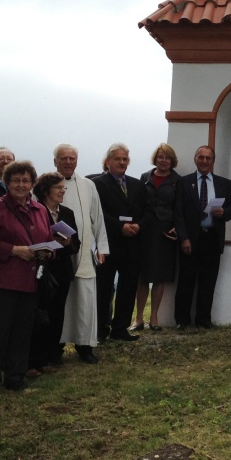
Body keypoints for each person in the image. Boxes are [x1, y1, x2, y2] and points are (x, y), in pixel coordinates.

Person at [0, 160, 54, 392]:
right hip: (2, 281)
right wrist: (13, 250)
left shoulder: (40, 210)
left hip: (30, 280)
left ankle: (15, 378)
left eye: (26, 180)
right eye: (16, 180)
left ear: (32, 183)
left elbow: (46, 237)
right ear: (7, 183)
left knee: (22, 331)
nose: (21, 184)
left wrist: (49, 251)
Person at [54, 143, 110, 364]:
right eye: (63, 158)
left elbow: (97, 217)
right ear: (55, 161)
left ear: (76, 161)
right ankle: (55, 345)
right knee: (61, 299)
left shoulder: (88, 185)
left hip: (84, 251)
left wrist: (102, 248)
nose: (68, 162)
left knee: (85, 298)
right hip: (58, 251)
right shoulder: (46, 184)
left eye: (72, 158)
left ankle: (84, 345)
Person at [173, 145, 231, 329]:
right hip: (190, 239)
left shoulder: (224, 183)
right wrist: (184, 238)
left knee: (208, 281)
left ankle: (203, 319)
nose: (204, 161)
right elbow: (178, 213)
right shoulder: (184, 182)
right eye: (200, 157)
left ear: (212, 161)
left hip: (212, 238)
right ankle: (182, 320)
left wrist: (224, 212)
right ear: (195, 159)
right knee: (186, 280)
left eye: (207, 158)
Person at [92, 143, 146, 342]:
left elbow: (146, 211)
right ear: (108, 162)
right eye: (118, 159)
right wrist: (119, 227)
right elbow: (98, 214)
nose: (122, 162)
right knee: (104, 289)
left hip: (133, 245)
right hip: (109, 244)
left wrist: (139, 225)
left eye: (125, 159)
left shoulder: (137, 185)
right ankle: (99, 329)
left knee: (128, 288)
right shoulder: (97, 184)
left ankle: (120, 328)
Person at [28, 171, 79, 374]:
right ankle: (33, 359)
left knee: (57, 314)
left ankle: (51, 356)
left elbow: (76, 245)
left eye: (63, 188)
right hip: (42, 271)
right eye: (58, 188)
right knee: (39, 315)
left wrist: (68, 243)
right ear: (46, 190)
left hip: (62, 271)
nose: (62, 191)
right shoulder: (35, 210)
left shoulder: (67, 213)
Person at [135, 144, 181, 330]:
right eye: (160, 157)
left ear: (172, 161)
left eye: (167, 158)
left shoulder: (178, 180)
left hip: (165, 233)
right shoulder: (145, 177)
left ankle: (154, 318)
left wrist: (177, 228)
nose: (163, 160)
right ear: (155, 159)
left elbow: (180, 207)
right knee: (143, 277)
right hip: (145, 231)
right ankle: (138, 319)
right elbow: (138, 203)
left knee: (160, 277)